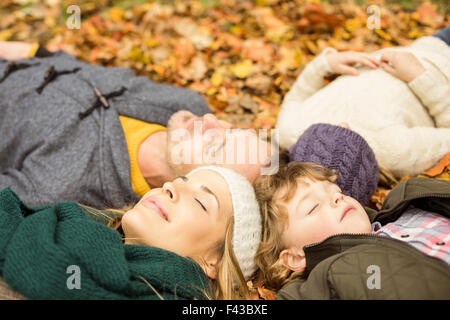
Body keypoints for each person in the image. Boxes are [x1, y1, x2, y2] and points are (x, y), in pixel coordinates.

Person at [0, 41, 270, 208]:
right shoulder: (185, 104)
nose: (210, 120)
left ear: (200, 192)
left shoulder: (66, 187)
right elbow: (61, 62)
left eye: (216, 146)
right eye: (230, 128)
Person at [0, 165, 262, 300]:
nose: (170, 186)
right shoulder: (67, 221)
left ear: (213, 262)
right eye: (181, 180)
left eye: (201, 202)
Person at [253, 160, 450, 299]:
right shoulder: (330, 276)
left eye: (336, 191)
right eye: (313, 207)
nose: (336, 198)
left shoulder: (408, 201)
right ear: (296, 257)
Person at [276, 26, 450, 178]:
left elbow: (296, 97)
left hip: (428, 45)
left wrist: (324, 65)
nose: (343, 125)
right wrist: (421, 77)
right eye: (344, 151)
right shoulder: (393, 151)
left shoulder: (290, 131)